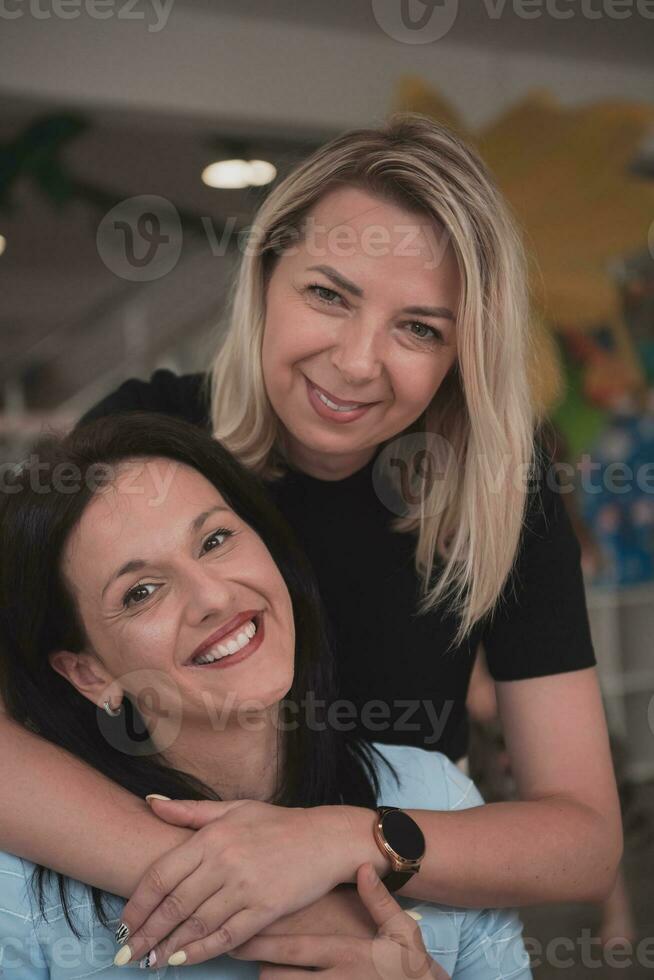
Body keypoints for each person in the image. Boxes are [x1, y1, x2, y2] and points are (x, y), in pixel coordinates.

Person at [0, 113, 621, 965]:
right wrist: (262, 896)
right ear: (264, 280)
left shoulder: (502, 497)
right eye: (328, 294)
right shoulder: (152, 434)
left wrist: (339, 844)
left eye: (420, 328)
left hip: (412, 919)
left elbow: (583, 838)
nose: (358, 363)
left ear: (461, 354)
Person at [0, 413, 531, 979]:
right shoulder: (22, 894)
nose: (212, 595)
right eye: (142, 592)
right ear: (88, 674)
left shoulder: (434, 797)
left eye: (215, 539)